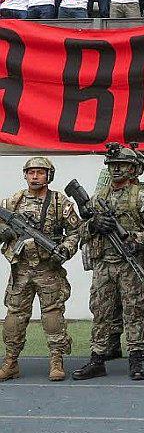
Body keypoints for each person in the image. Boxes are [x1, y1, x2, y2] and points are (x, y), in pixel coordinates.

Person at [71, 144, 144, 381]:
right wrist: (93, 225)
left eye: (121, 165)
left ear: (133, 169)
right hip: (104, 264)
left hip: (130, 263)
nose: (116, 169)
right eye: (112, 165)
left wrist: (135, 239)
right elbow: (81, 231)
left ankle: (136, 358)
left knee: (135, 311)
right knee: (101, 311)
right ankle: (98, 358)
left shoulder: (141, 196)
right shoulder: (99, 196)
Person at [0, 157, 80, 382]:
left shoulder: (58, 202)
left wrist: (65, 248)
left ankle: (56, 360)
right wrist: (5, 233)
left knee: (53, 316)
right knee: (14, 317)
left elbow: (76, 231)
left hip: (48, 270)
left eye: (40, 172)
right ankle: (10, 362)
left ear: (49, 176)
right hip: (21, 270)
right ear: (25, 175)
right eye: (31, 172)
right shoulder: (14, 202)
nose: (35, 176)